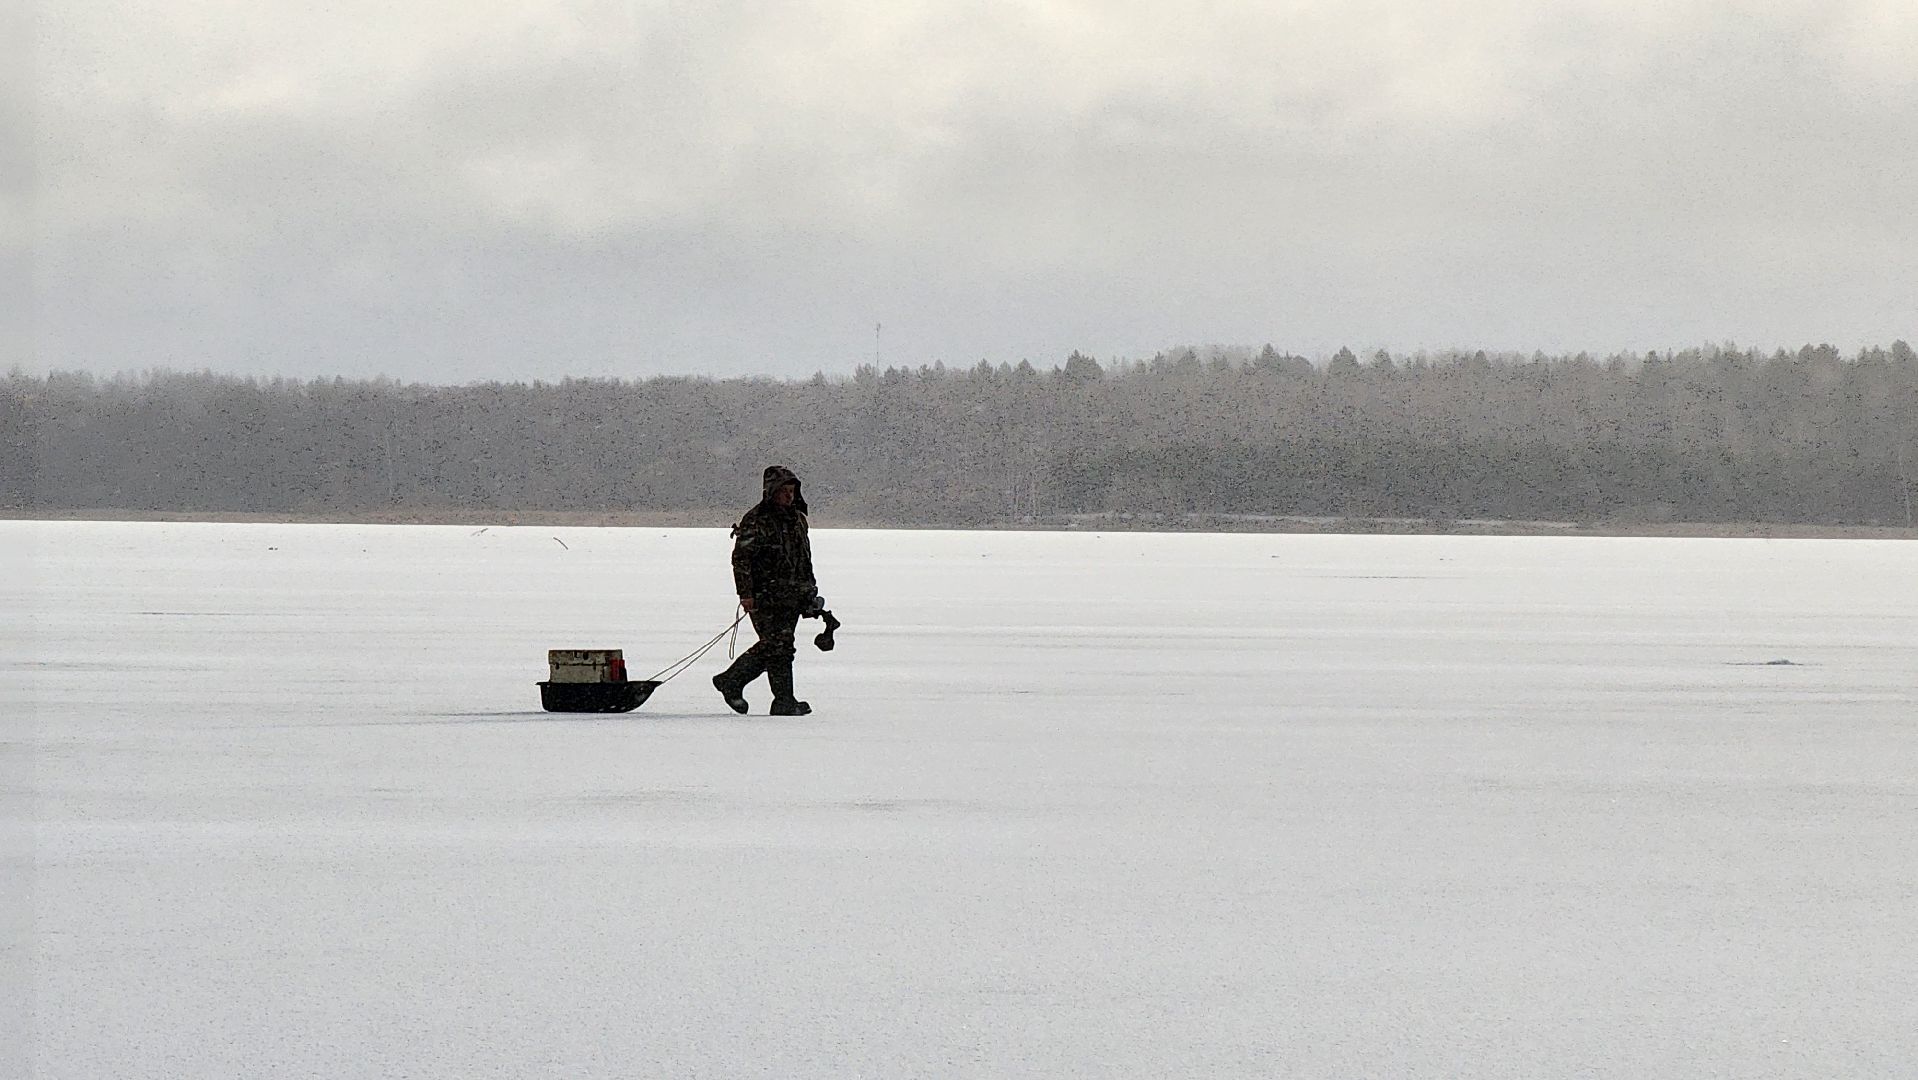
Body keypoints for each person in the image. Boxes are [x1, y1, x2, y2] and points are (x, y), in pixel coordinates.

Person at [712, 465, 819, 715]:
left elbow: (804, 558)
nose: (789, 496)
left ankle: (780, 699)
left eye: (791, 491)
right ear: (771, 492)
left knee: (781, 647)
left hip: (792, 595)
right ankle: (736, 682)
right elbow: (741, 559)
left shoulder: (797, 520)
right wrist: (746, 594)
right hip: (764, 595)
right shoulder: (756, 520)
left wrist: (810, 590)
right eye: (784, 491)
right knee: (776, 645)